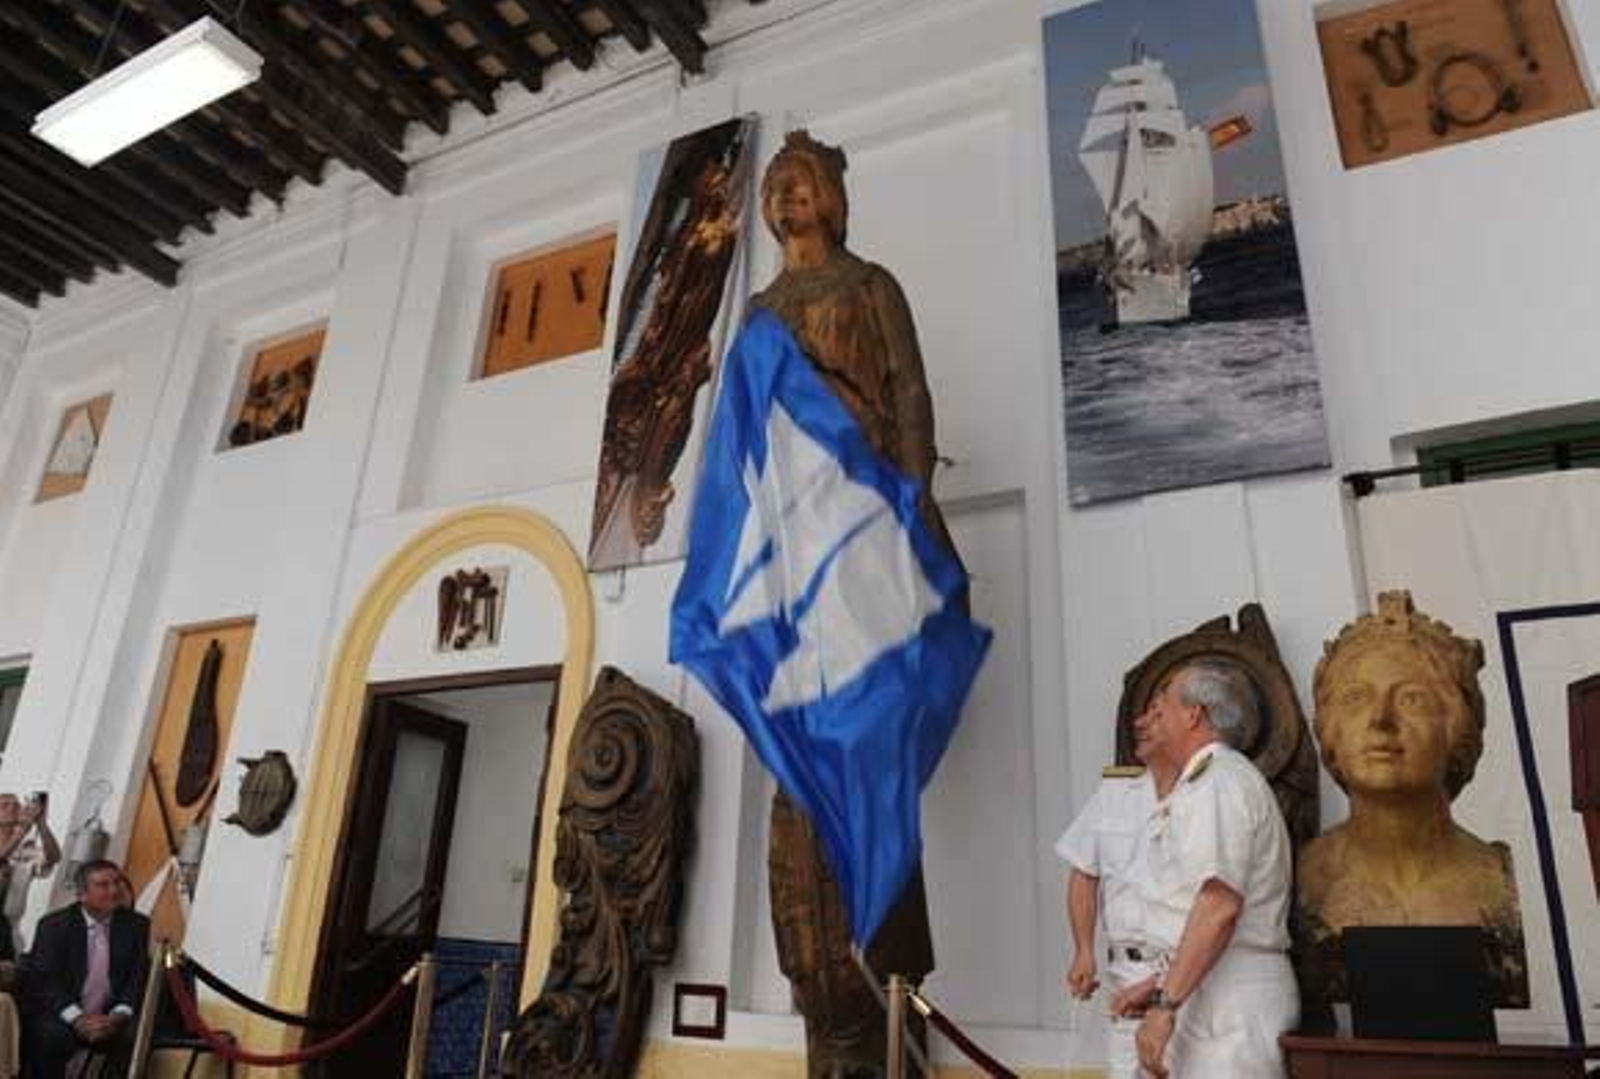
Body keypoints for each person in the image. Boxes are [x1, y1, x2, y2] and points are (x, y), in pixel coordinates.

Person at [753, 129, 962, 1077]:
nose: (787, 197)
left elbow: (911, 393)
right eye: (775, 185)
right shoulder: (761, 308)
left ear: (833, 196)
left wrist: (912, 499)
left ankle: (885, 997)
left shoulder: (870, 286)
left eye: (802, 183)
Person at [1297, 591, 1526, 1011]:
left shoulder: (1494, 877)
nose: (1381, 720)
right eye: (1356, 698)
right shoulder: (1305, 879)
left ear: (1457, 730)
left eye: (1412, 699)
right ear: (1329, 731)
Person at [1111, 661, 1297, 1079]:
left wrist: (1164, 1007)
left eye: (1163, 707)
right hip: (1205, 988)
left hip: (1228, 998)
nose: (1154, 717)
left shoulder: (1217, 781)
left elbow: (1218, 906)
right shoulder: (1209, 781)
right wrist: (1161, 987)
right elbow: (1193, 909)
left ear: (1193, 714)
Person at [1056, 747, 1171, 1079]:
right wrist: (1083, 951)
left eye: (1159, 712)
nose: (1145, 722)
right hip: (1125, 974)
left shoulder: (1206, 792)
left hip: (1180, 972)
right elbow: (1083, 870)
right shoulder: (1116, 793)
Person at [26, 859, 151, 1079]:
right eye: (103, 885)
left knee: (134, 1038)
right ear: (81, 895)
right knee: (49, 1035)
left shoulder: (136, 926)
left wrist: (118, 1016)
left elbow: (136, 977)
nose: (113, 891)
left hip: (110, 1016)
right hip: (64, 1013)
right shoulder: (54, 925)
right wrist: (77, 1019)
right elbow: (45, 981)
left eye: (117, 883)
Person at [0, 792, 62, 949]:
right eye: (5, 805)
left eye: (17, 805)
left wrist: (41, 824)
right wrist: (22, 832)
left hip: (8, 928)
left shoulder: (26, 848)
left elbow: (54, 857)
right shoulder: (21, 836)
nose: (13, 808)